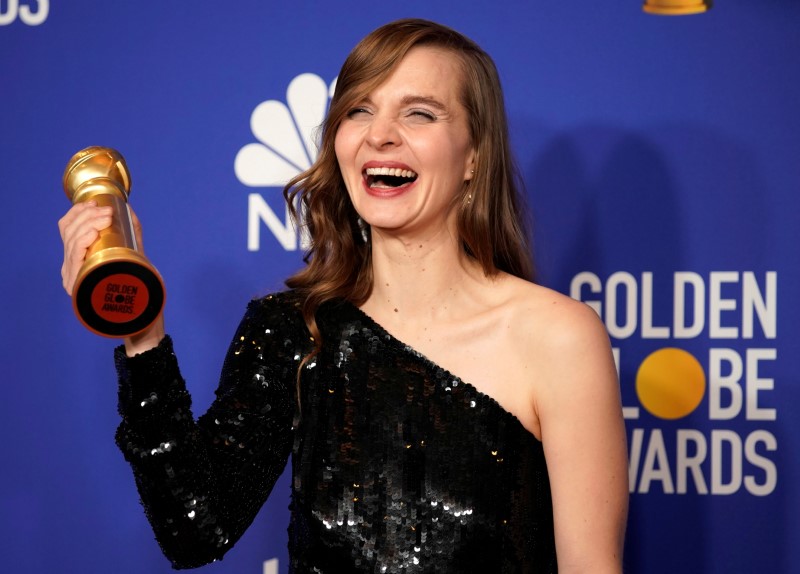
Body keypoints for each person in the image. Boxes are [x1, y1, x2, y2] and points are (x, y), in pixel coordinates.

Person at [59, 18, 628, 573]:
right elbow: (193, 530)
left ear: (474, 156)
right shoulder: (291, 330)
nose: (380, 134)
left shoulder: (557, 337)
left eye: (419, 113)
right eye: (359, 110)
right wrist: (142, 334)